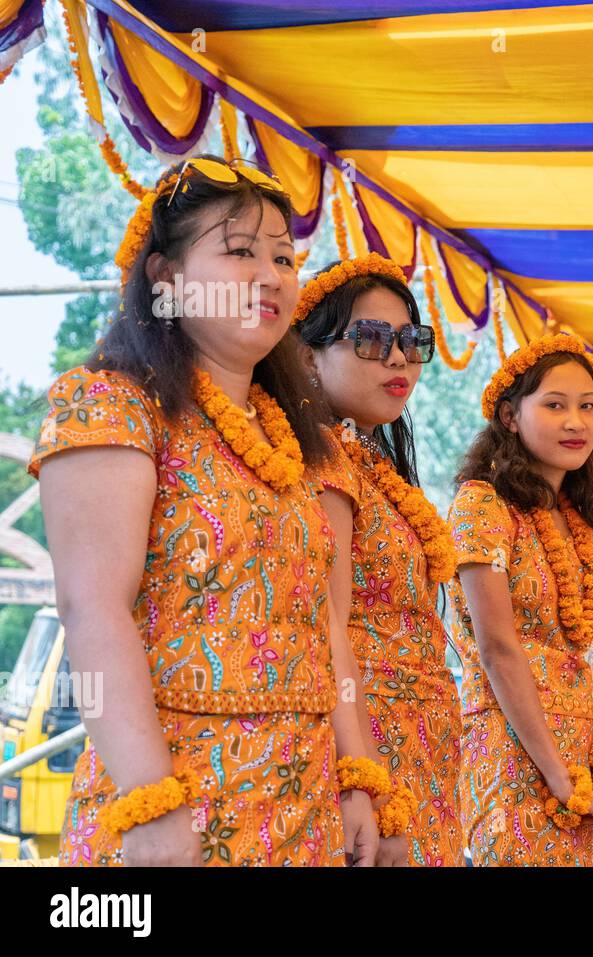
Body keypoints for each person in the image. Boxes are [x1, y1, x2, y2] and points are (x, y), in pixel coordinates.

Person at [31, 155, 380, 866]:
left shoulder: (294, 439)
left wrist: (358, 780)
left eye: (283, 257)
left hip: (302, 809)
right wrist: (151, 801)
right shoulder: (113, 404)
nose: (271, 276)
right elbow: (91, 606)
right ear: (164, 275)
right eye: (240, 251)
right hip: (178, 810)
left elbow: (327, 630)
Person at [447, 334, 593, 865]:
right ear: (510, 417)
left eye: (588, 407)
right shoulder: (481, 505)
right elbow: (497, 650)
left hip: (586, 748)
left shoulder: (589, 523)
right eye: (555, 405)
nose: (577, 422)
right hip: (511, 745)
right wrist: (557, 775)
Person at [298, 254, 464, 866]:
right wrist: (363, 778)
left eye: (412, 341)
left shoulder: (368, 462)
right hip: (370, 737)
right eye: (370, 339)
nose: (398, 358)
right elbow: (327, 628)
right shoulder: (324, 464)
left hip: (424, 742)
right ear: (307, 355)